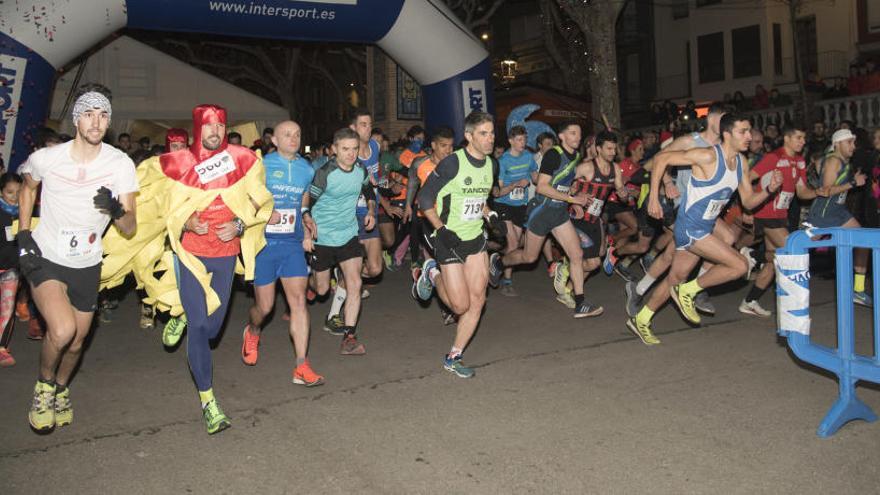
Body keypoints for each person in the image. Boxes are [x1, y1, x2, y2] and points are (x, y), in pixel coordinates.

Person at [103, 104, 273, 434]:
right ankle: (209, 401)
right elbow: (157, 205)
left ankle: (181, 313)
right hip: (190, 253)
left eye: (221, 126)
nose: (215, 132)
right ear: (197, 130)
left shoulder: (245, 159)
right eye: (209, 127)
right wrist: (184, 221)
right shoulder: (176, 163)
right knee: (199, 329)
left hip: (225, 254)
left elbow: (260, 200)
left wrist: (239, 224)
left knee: (211, 329)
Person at [18, 89, 138, 431]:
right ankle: (43, 386)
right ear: (76, 119)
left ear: (109, 121)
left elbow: (130, 226)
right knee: (62, 329)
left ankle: (60, 388)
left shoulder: (119, 164)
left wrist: (116, 209)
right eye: (88, 114)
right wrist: (25, 234)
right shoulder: (48, 158)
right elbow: (28, 188)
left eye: (102, 115)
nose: (95, 121)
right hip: (47, 256)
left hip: (87, 262)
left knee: (76, 344)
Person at [628, 113, 783, 344]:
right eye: (743, 131)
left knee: (675, 278)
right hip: (690, 228)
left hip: (706, 227)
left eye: (750, 131)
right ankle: (689, 291)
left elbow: (748, 201)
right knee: (740, 265)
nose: (749, 136)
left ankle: (641, 319)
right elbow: (661, 159)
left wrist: (769, 189)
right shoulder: (707, 156)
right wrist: (652, 197)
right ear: (727, 134)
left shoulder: (741, 162)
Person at [412, 111, 506, 378]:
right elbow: (424, 201)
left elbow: (479, 198)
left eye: (491, 133)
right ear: (468, 136)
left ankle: (454, 356)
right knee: (459, 306)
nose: (489, 139)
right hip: (449, 240)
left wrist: (491, 215)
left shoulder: (491, 165)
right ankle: (431, 271)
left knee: (478, 301)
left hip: (476, 239)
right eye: (483, 134)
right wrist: (441, 231)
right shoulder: (452, 164)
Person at [241, 120, 323, 385]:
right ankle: (252, 331)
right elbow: (243, 200)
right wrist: (265, 213)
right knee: (264, 308)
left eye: (297, 134)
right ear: (274, 140)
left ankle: (301, 365)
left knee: (298, 301)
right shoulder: (261, 166)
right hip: (264, 245)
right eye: (287, 134)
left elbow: (303, 199)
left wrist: (306, 218)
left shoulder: (305, 168)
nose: (293, 138)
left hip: (291, 244)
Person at [489, 121, 594, 317]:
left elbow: (559, 183)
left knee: (576, 254)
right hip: (542, 212)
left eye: (579, 133)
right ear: (561, 136)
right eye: (572, 133)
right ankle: (500, 263)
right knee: (529, 257)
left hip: (559, 212)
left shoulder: (576, 156)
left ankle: (580, 302)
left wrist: (575, 201)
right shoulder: (554, 154)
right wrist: (573, 199)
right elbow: (542, 187)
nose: (577, 137)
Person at [739, 125, 827, 316]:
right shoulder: (773, 158)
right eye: (799, 137)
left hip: (781, 215)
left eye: (804, 138)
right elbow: (746, 178)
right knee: (792, 252)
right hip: (765, 213)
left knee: (774, 262)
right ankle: (753, 255)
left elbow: (802, 192)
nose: (803, 142)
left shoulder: (800, 161)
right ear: (786, 138)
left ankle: (749, 300)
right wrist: (747, 206)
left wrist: (817, 192)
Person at [304, 128, 373, 356]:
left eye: (354, 149)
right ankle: (309, 280)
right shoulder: (324, 173)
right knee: (321, 289)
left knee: (355, 284)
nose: (351, 154)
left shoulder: (360, 169)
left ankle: (349, 337)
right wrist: (306, 232)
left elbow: (368, 190)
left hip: (349, 234)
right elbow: (307, 203)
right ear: (334, 150)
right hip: (322, 237)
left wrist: (371, 210)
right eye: (345, 149)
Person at [805, 129, 871, 306]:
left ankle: (858, 290)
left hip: (839, 212)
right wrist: (853, 183)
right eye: (849, 142)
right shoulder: (834, 161)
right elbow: (826, 191)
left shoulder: (843, 161)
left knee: (863, 241)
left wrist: (852, 181)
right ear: (838, 144)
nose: (853, 146)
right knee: (799, 247)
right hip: (824, 213)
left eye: (853, 142)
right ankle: (782, 273)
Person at [493, 125, 538, 296]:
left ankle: (497, 260)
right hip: (503, 204)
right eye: (519, 140)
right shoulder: (502, 161)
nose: (523, 143)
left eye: (524, 139)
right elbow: (499, 192)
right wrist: (515, 184)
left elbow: (535, 176)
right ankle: (507, 282)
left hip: (521, 205)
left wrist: (548, 181)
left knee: (517, 242)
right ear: (511, 141)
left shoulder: (528, 156)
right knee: (513, 244)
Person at [0, 173, 23, 367]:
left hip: (12, 269)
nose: (14, 196)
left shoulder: (25, 213)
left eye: (18, 192)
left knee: (7, 309)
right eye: (9, 192)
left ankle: (1, 348)